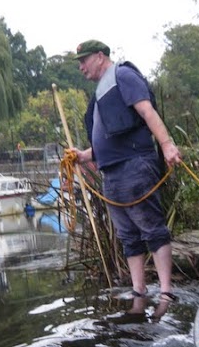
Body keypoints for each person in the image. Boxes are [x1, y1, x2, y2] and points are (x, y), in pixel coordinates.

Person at [69, 39, 182, 305]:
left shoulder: (123, 75)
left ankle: (165, 291)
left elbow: (147, 112)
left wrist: (167, 145)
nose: (81, 67)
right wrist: (82, 156)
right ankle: (139, 290)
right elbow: (104, 142)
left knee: (152, 228)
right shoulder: (100, 94)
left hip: (135, 166)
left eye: (84, 61)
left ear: (100, 56)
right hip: (112, 174)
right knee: (128, 235)